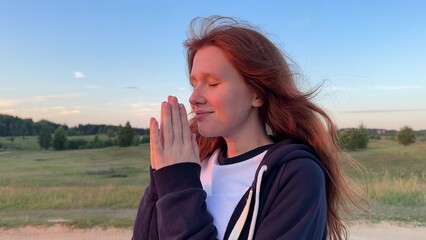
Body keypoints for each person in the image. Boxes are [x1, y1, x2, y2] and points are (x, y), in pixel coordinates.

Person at [132, 16, 366, 240]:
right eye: (194, 84)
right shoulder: (193, 164)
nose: (194, 97)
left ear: (257, 94)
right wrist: (163, 179)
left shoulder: (294, 175)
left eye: (212, 83)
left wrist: (178, 187)